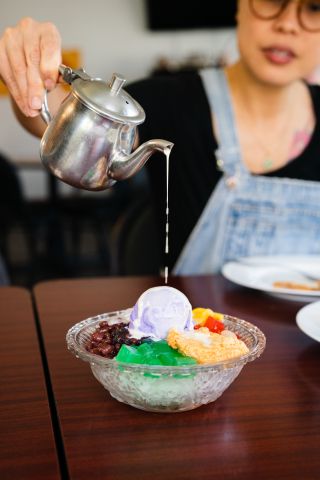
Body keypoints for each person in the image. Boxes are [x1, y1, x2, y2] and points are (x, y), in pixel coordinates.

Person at [2, 1, 320, 276]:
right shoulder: (171, 100)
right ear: (239, 5)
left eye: (313, 7)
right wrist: (31, 74)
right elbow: (56, 121)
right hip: (194, 338)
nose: (288, 24)